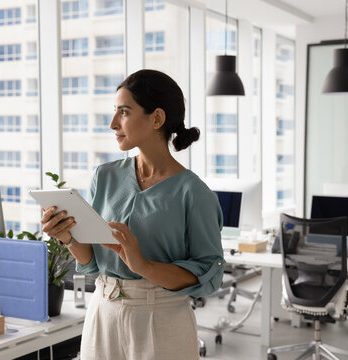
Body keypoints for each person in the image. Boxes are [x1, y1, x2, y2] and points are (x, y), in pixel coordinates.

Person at [41, 69, 225, 360]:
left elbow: (208, 274)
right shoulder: (105, 176)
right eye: (115, 111)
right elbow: (92, 261)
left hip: (161, 317)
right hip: (103, 310)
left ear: (157, 119)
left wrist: (142, 264)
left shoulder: (194, 193)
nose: (113, 123)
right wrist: (66, 236)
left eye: (124, 112)